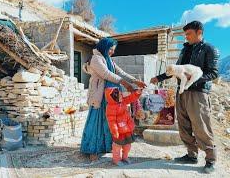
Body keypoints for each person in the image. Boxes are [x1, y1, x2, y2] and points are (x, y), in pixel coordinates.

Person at [150, 21, 219, 174]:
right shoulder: (184, 50)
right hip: (181, 93)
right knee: (183, 125)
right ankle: (191, 155)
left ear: (199, 32)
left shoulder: (209, 49)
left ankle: (210, 160)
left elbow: (213, 73)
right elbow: (174, 70)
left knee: (201, 127)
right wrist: (159, 78)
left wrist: (191, 79)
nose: (186, 37)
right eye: (185, 34)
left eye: (189, 34)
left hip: (198, 93)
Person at [80, 37, 146, 161]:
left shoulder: (108, 59)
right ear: (104, 47)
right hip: (100, 96)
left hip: (112, 96)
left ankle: (106, 146)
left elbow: (121, 72)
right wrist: (126, 84)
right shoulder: (96, 59)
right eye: (110, 49)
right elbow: (106, 74)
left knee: (111, 121)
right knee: (97, 122)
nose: (112, 52)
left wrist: (135, 81)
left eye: (113, 50)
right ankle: (93, 149)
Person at [104, 87, 142, 166]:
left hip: (127, 128)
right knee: (117, 146)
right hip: (119, 131)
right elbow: (111, 120)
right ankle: (116, 159)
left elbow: (131, 98)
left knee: (127, 145)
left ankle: (125, 157)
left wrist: (137, 93)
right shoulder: (111, 107)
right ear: (114, 97)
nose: (122, 96)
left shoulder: (123, 101)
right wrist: (115, 130)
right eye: (120, 95)